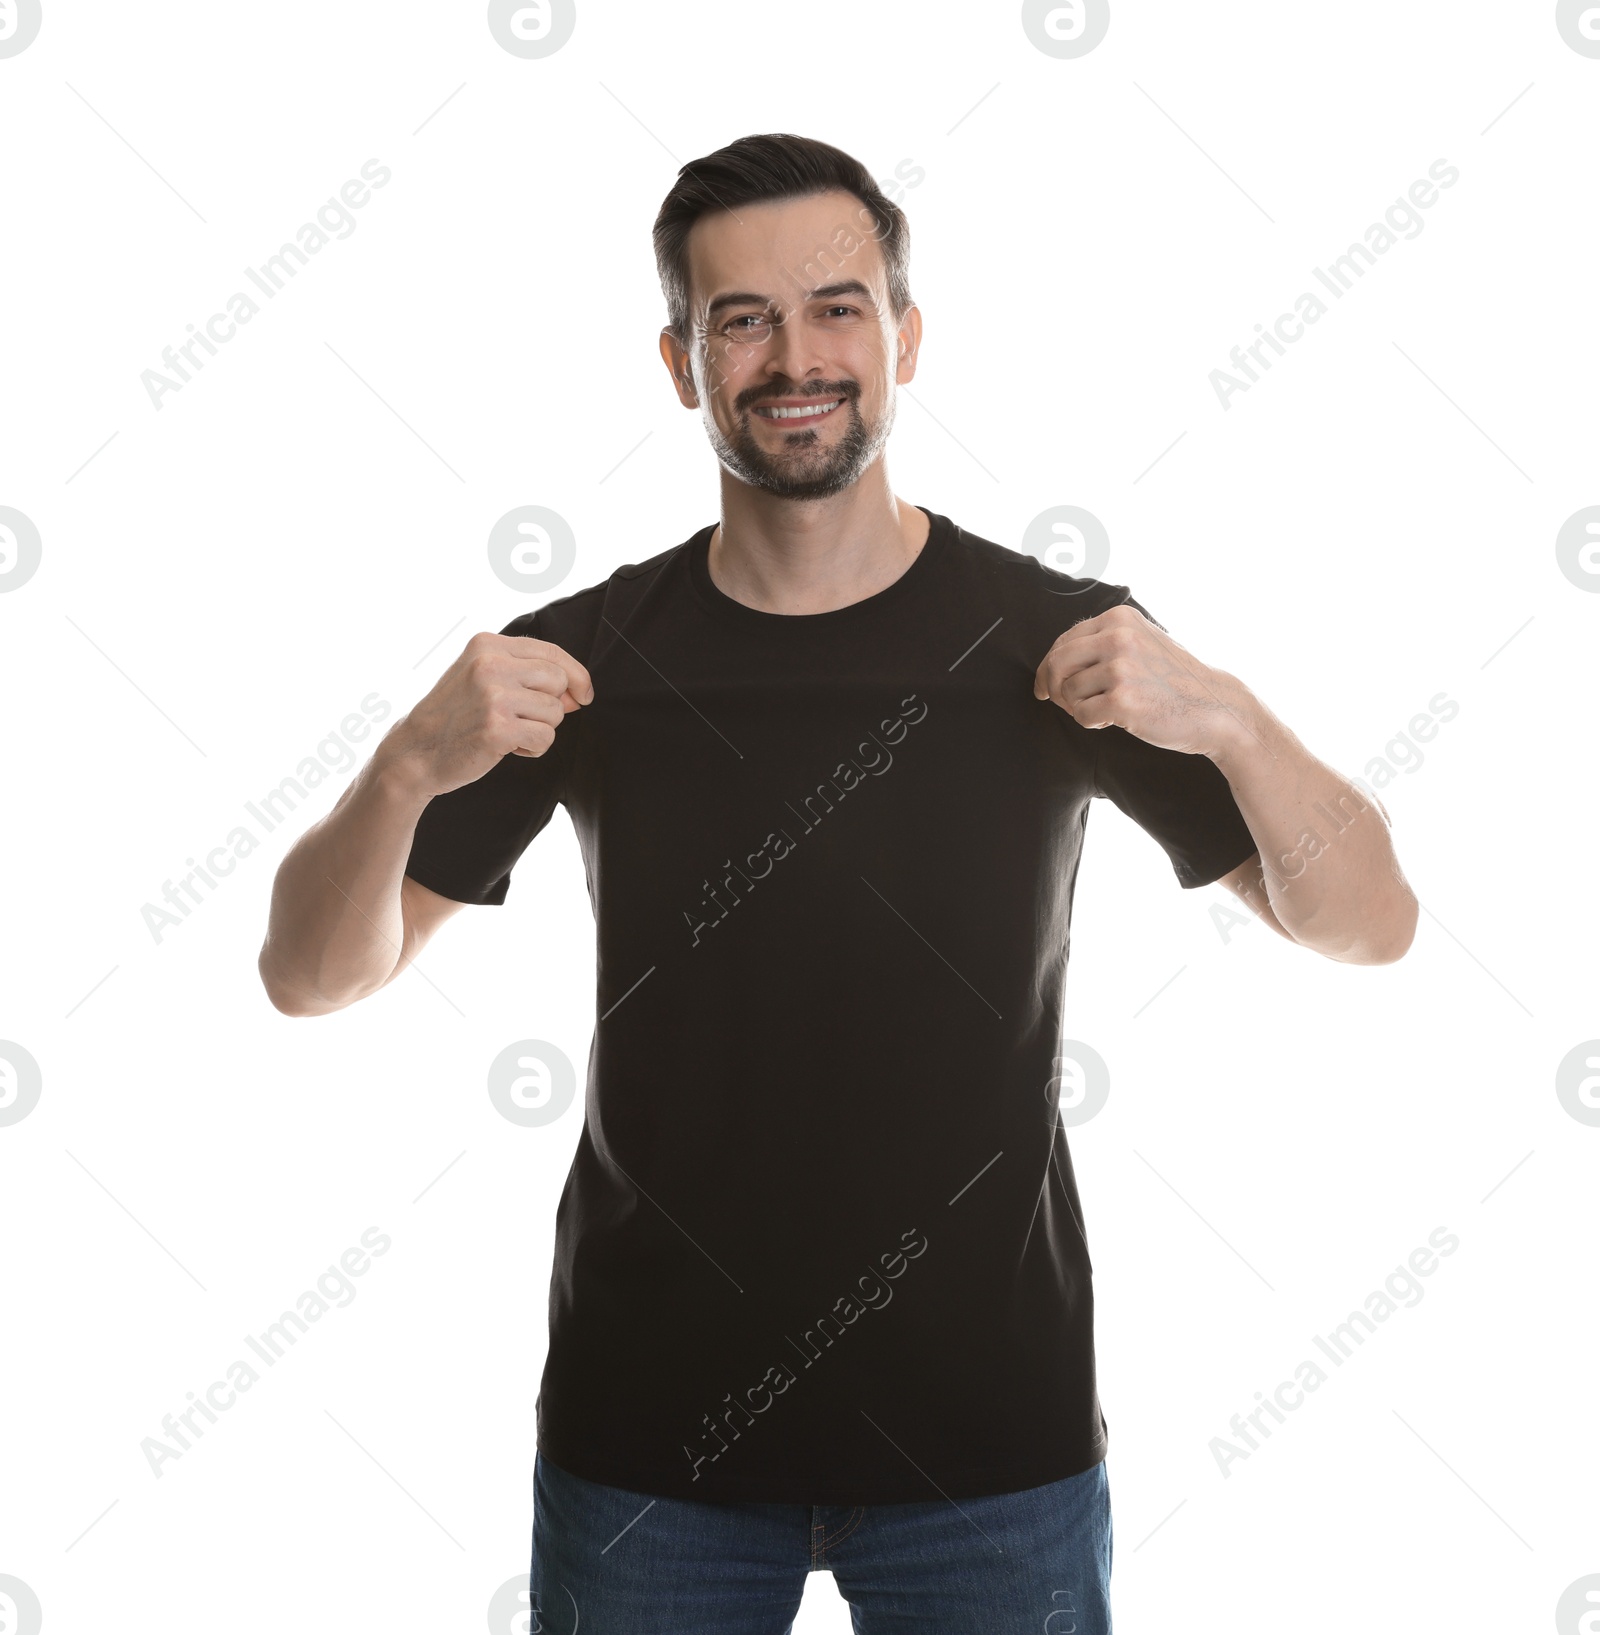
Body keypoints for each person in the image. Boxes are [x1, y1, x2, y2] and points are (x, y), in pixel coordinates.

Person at [257, 132, 1417, 1634]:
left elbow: (1370, 924)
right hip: (648, 1456)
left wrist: (1236, 720)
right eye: (741, 318)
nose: (792, 356)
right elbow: (310, 974)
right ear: (681, 362)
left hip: (991, 1456)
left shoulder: (1055, 647)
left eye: (836, 307)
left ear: (904, 337)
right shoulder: (584, 664)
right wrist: (407, 763)